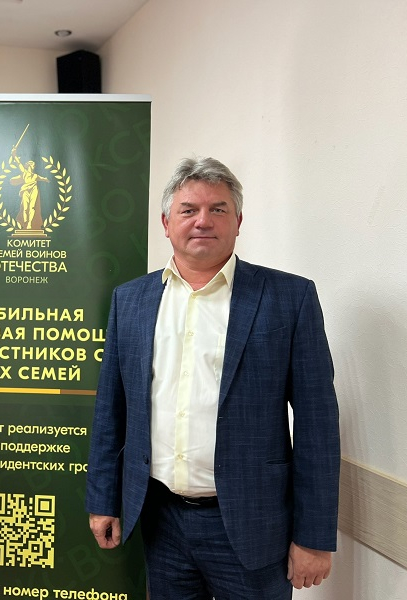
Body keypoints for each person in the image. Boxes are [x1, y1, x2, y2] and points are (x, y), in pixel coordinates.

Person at [85, 157, 340, 599]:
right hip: (160, 520)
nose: (203, 220)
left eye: (218, 209)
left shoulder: (289, 298)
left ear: (238, 221)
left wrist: (314, 537)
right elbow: (112, 410)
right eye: (188, 210)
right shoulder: (131, 300)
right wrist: (103, 499)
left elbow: (317, 425)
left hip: (252, 524)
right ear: (166, 223)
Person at [11, 147, 49, 230]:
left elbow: (42, 178)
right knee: (25, 208)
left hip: (34, 190)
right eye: (32, 164)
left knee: (32, 207)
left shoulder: (35, 176)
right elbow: (19, 163)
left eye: (33, 164)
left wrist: (46, 179)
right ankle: (25, 221)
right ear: (29, 165)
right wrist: (14, 155)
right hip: (25, 190)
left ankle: (29, 223)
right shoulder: (24, 172)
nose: (33, 165)